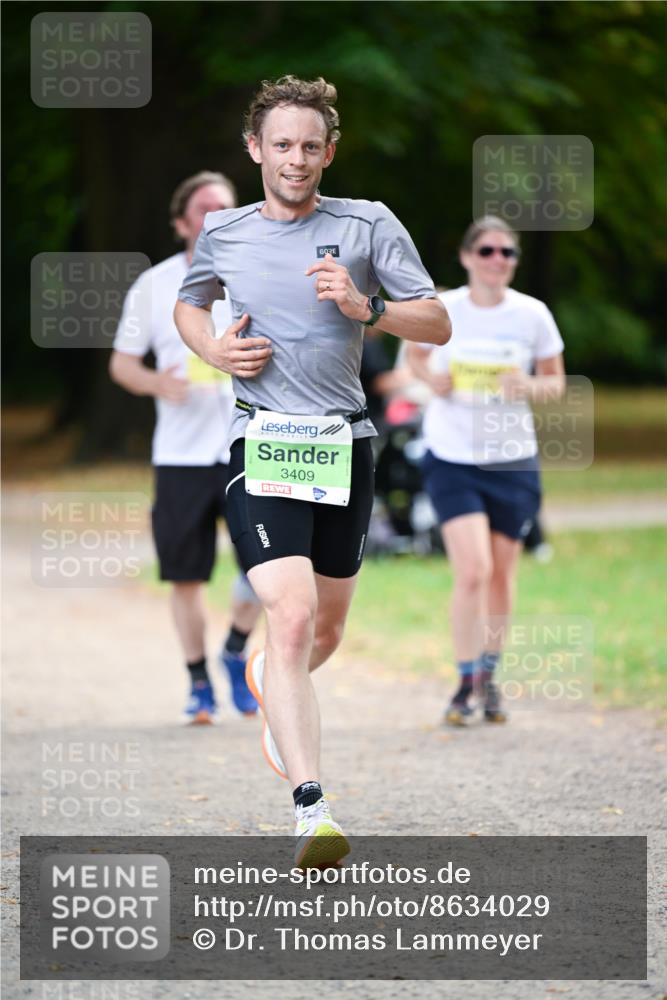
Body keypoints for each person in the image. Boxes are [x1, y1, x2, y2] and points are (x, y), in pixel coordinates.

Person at [174, 76, 451, 867]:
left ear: (330, 153)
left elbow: (436, 317)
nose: (295, 159)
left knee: (325, 627)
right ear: (254, 149)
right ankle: (311, 809)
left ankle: (267, 679)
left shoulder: (367, 225)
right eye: (281, 144)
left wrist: (368, 309)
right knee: (290, 615)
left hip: (345, 444)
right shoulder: (223, 232)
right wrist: (212, 348)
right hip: (260, 441)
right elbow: (191, 305)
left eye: (310, 146)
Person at [110, 171, 262, 725]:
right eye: (202, 208)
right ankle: (199, 682)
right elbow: (122, 365)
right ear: (180, 222)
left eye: (224, 206)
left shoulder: (257, 274)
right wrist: (159, 383)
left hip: (248, 448)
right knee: (186, 576)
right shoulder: (153, 286)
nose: (214, 215)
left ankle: (235, 650)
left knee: (267, 571)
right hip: (179, 456)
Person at [406, 216, 565, 726]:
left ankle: (490, 678)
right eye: (488, 251)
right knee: (472, 571)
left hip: (512, 460)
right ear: (467, 257)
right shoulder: (443, 310)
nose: (498, 260)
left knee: (501, 574)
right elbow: (412, 356)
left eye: (508, 253)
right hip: (453, 456)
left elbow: (555, 383)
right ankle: (465, 679)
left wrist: (528, 386)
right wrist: (435, 381)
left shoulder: (532, 314)